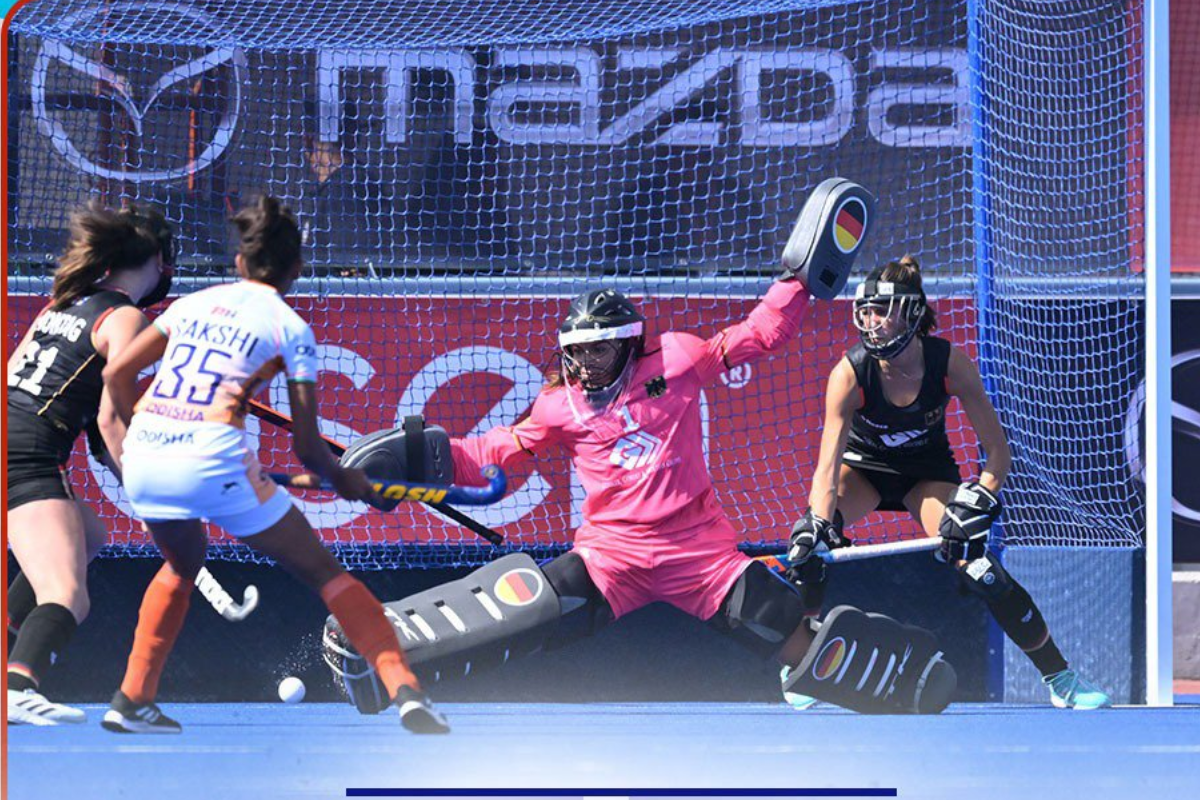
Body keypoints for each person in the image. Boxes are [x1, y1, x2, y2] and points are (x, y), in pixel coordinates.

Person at [324, 180, 958, 716]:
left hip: (700, 555)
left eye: (598, 349)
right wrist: (417, 461)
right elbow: (493, 453)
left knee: (784, 629)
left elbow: (759, 335)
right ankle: (382, 651)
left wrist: (800, 280)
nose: (585, 363)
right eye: (575, 352)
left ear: (629, 344)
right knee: (527, 614)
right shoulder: (558, 404)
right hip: (611, 557)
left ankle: (900, 673)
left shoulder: (677, 362)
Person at [98, 195, 448, 734]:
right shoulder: (289, 327)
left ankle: (131, 698)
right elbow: (309, 451)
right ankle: (407, 692)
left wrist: (144, 432)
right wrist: (349, 481)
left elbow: (116, 373)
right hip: (213, 456)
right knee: (325, 574)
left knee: (182, 562)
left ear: (240, 263)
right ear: (297, 271)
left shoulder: (192, 304)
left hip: (145, 455)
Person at [783, 255, 1112, 710]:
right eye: (866, 313)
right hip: (863, 472)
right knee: (810, 549)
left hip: (927, 476)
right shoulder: (848, 374)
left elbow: (997, 452)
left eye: (882, 312)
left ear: (913, 312)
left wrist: (979, 496)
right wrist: (818, 521)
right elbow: (827, 466)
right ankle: (803, 668)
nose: (871, 323)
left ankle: (1061, 678)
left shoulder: (949, 364)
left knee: (981, 569)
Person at [6, 202, 175, 725]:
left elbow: (27, 381)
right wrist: (144, 493)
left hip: (17, 436)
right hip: (29, 452)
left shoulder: (62, 302)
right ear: (157, 262)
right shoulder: (126, 317)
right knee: (67, 594)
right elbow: (109, 420)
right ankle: (18, 688)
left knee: (90, 534)